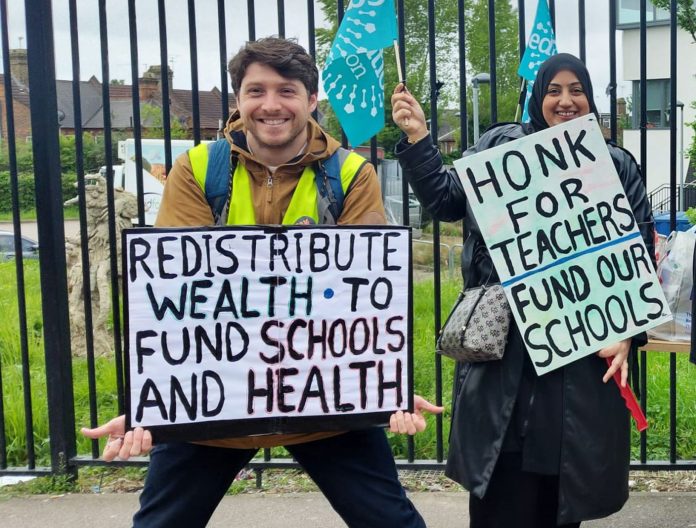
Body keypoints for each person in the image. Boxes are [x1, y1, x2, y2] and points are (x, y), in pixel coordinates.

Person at [82, 37, 442, 528]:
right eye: (256, 91)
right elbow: (174, 300)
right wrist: (152, 403)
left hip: (322, 405)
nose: (271, 105)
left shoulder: (352, 175)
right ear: (238, 101)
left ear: (312, 100)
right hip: (214, 409)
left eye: (287, 91)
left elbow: (368, 304)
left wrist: (387, 387)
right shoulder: (198, 169)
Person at [391, 53, 655, 528]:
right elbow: (447, 199)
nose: (566, 100)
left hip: (581, 357)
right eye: (554, 90)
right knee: (499, 494)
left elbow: (640, 253)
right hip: (506, 357)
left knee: (562, 499)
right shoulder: (500, 145)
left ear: (591, 100)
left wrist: (627, 331)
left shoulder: (614, 163)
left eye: (577, 90)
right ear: (538, 97)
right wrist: (418, 139)